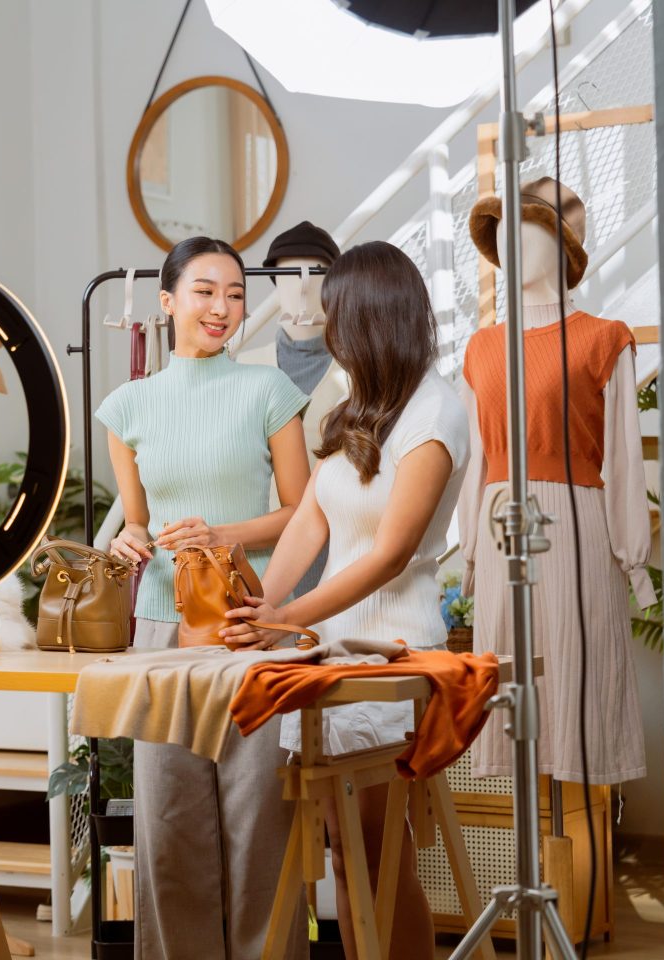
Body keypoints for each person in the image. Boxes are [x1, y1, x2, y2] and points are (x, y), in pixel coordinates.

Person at [221, 240, 471, 960]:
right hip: (334, 654)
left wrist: (285, 618)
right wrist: (258, 613)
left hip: (395, 655)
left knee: (377, 855)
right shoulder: (355, 407)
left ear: (368, 318)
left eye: (335, 317)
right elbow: (310, 521)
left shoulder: (435, 413)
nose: (326, 331)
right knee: (342, 856)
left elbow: (393, 551)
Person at [99, 236, 311, 960]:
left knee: (259, 824)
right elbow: (135, 518)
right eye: (204, 291)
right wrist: (128, 539)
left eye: (234, 294)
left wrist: (224, 532)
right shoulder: (125, 407)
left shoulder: (269, 391)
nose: (222, 307)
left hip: (249, 626)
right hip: (161, 631)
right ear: (167, 302)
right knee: (170, 825)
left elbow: (303, 512)